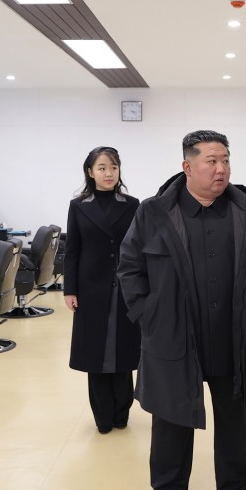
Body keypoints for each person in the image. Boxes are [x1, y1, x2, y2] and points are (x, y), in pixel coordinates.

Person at [117, 130, 246, 490]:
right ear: (187, 166)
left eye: (225, 160)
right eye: (212, 161)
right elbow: (130, 268)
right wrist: (149, 316)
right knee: (171, 418)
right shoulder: (154, 213)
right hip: (176, 336)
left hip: (233, 337)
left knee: (236, 418)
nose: (221, 169)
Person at [64, 147, 141, 434]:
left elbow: (140, 247)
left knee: (123, 351)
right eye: (102, 167)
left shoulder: (132, 204)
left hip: (125, 287)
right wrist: (70, 289)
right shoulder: (78, 206)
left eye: (114, 167)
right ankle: (103, 417)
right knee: (95, 353)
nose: (109, 173)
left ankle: (122, 413)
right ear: (90, 172)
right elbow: (72, 251)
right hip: (90, 288)